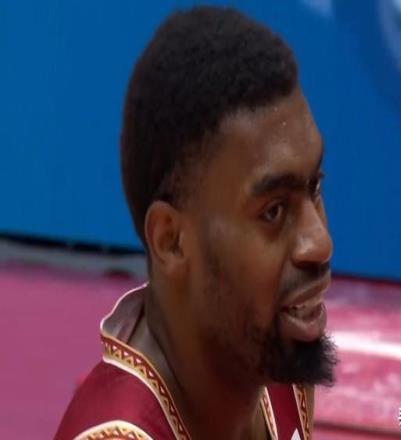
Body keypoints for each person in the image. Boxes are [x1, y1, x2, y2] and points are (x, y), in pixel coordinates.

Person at [55, 5, 337, 440]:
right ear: (171, 241)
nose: (319, 243)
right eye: (273, 211)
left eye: (313, 187)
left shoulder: (277, 366)